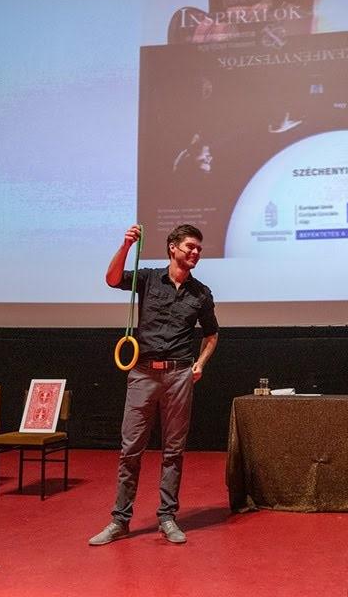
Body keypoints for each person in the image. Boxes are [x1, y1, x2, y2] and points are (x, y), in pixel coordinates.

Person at [89, 224, 219, 546]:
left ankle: (167, 517)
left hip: (179, 375)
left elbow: (212, 334)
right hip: (143, 373)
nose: (195, 252)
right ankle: (120, 520)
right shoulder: (148, 278)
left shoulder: (201, 293)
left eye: (199, 249)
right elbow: (112, 279)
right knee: (130, 450)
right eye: (190, 247)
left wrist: (200, 364)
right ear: (172, 247)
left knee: (173, 451)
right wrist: (125, 246)